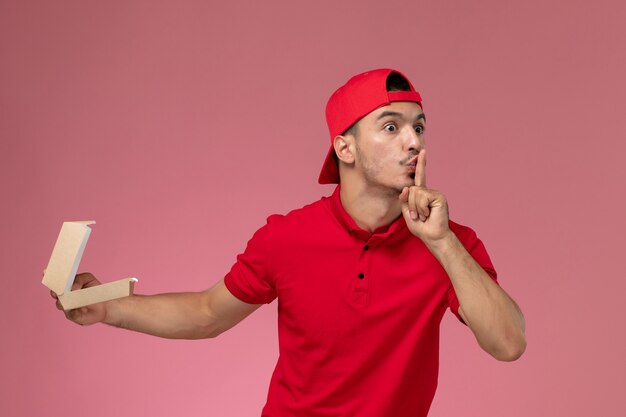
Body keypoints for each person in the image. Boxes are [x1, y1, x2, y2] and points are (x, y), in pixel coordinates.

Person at [51, 68, 526, 417]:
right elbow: (205, 313)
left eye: (418, 126)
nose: (414, 142)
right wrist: (108, 306)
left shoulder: (451, 243)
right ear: (345, 148)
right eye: (391, 126)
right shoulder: (287, 238)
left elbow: (508, 343)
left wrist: (442, 244)